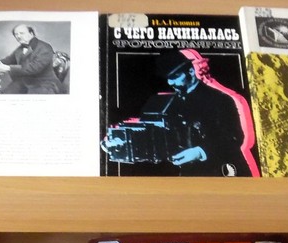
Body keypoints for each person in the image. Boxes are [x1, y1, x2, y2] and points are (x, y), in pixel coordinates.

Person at [103, 49, 258, 177]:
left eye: (176, 76)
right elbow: (146, 131)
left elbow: (235, 138)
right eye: (169, 78)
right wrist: (118, 141)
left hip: (223, 171)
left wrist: (200, 152)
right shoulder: (168, 103)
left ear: (191, 71)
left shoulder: (220, 99)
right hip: (189, 175)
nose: (171, 83)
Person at [0, 23, 60, 94]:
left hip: (44, 84)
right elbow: (9, 60)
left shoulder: (45, 47)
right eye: (16, 34)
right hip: (24, 82)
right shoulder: (20, 48)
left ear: (31, 34)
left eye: (22, 33)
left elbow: (33, 68)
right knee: (4, 95)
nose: (18, 36)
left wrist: (8, 68)